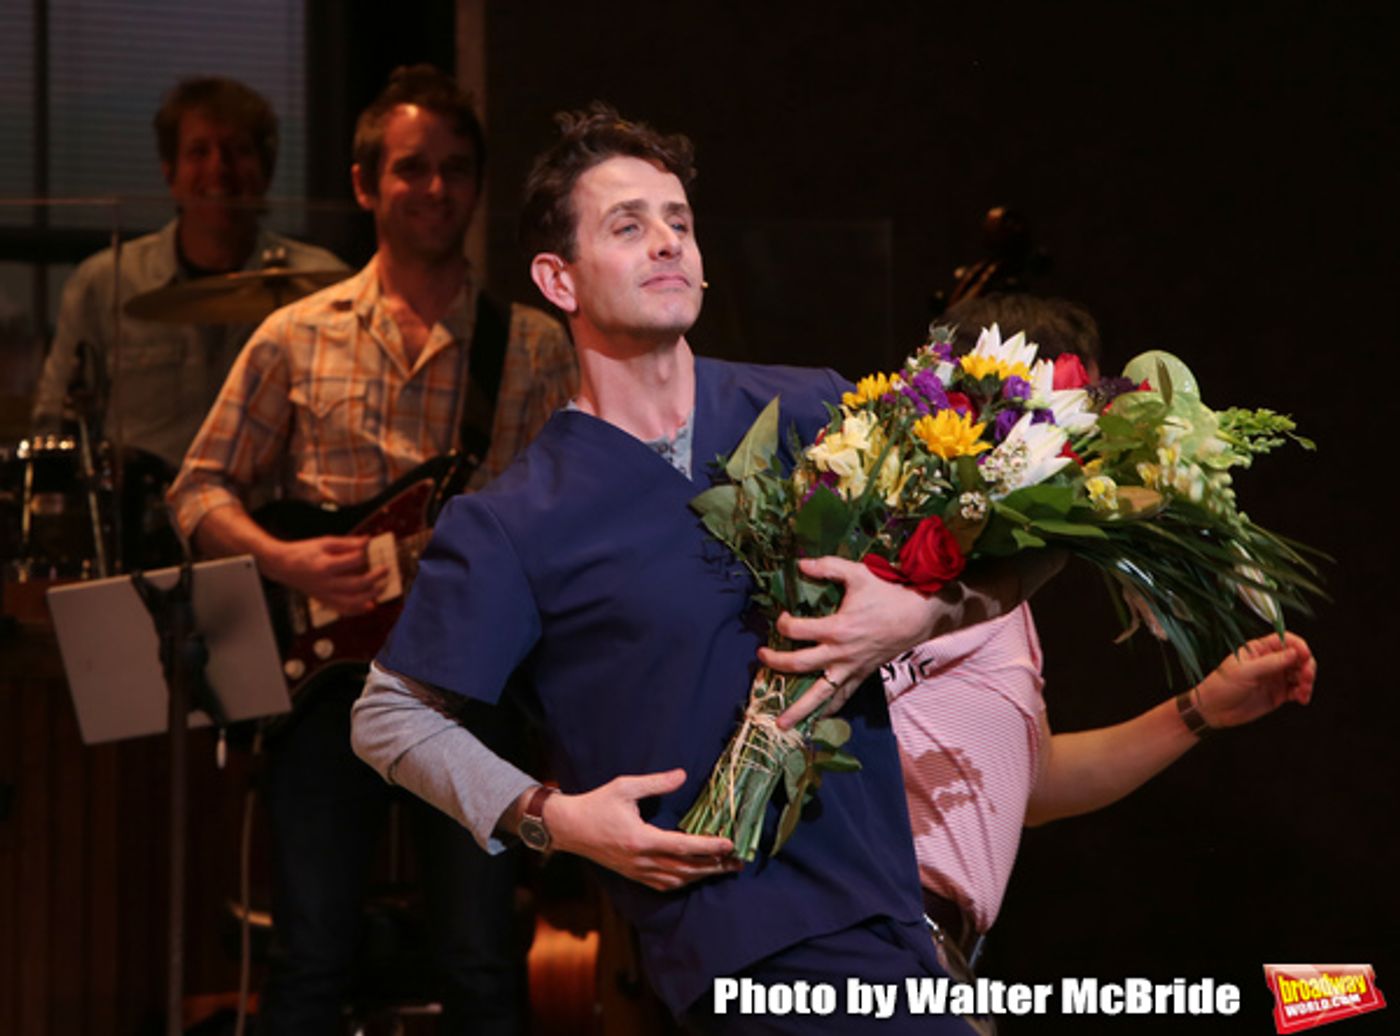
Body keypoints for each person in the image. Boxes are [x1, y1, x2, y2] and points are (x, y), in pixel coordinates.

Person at [353, 104, 1055, 1034]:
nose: (666, 245)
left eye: (679, 223)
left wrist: (917, 616)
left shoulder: (814, 409)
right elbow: (386, 716)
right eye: (628, 226)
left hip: (888, 910)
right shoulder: (515, 521)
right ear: (557, 279)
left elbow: (1029, 543)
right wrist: (552, 819)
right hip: (738, 944)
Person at [166, 66, 576, 1035]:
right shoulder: (293, 336)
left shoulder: (531, 347)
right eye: (410, 168)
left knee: (481, 961)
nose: (435, 188)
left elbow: (571, 520)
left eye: (455, 169)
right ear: (364, 185)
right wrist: (285, 558)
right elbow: (197, 488)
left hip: (472, 680)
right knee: (308, 955)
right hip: (327, 688)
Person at [882, 292, 1317, 974]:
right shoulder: (911, 574)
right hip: (871, 941)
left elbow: (1035, 785)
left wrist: (1202, 710)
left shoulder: (1002, 602)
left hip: (931, 955)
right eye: (1087, 423)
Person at [33, 76, 345, 471]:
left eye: (238, 151)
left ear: (266, 172)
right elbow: (55, 425)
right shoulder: (104, 282)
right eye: (199, 152)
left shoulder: (327, 285)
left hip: (279, 521)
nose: (219, 168)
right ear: (169, 173)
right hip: (141, 522)